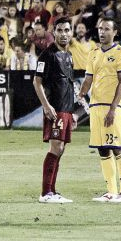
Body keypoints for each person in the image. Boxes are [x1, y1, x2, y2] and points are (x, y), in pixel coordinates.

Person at [78, 18, 121, 203]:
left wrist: (113, 108)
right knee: (102, 149)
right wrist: (81, 93)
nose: (102, 32)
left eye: (107, 29)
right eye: (100, 28)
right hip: (95, 107)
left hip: (113, 107)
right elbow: (88, 79)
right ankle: (111, 191)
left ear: (115, 32)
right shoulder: (93, 53)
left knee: (117, 147)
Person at [34, 16, 76, 204]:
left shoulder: (69, 55)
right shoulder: (47, 55)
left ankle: (52, 190)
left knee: (61, 149)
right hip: (55, 108)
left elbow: (68, 84)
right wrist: (46, 105)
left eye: (67, 30)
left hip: (65, 109)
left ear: (71, 32)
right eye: (60, 30)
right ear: (54, 32)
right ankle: (45, 193)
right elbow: (37, 81)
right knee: (56, 147)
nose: (64, 34)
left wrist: (72, 112)